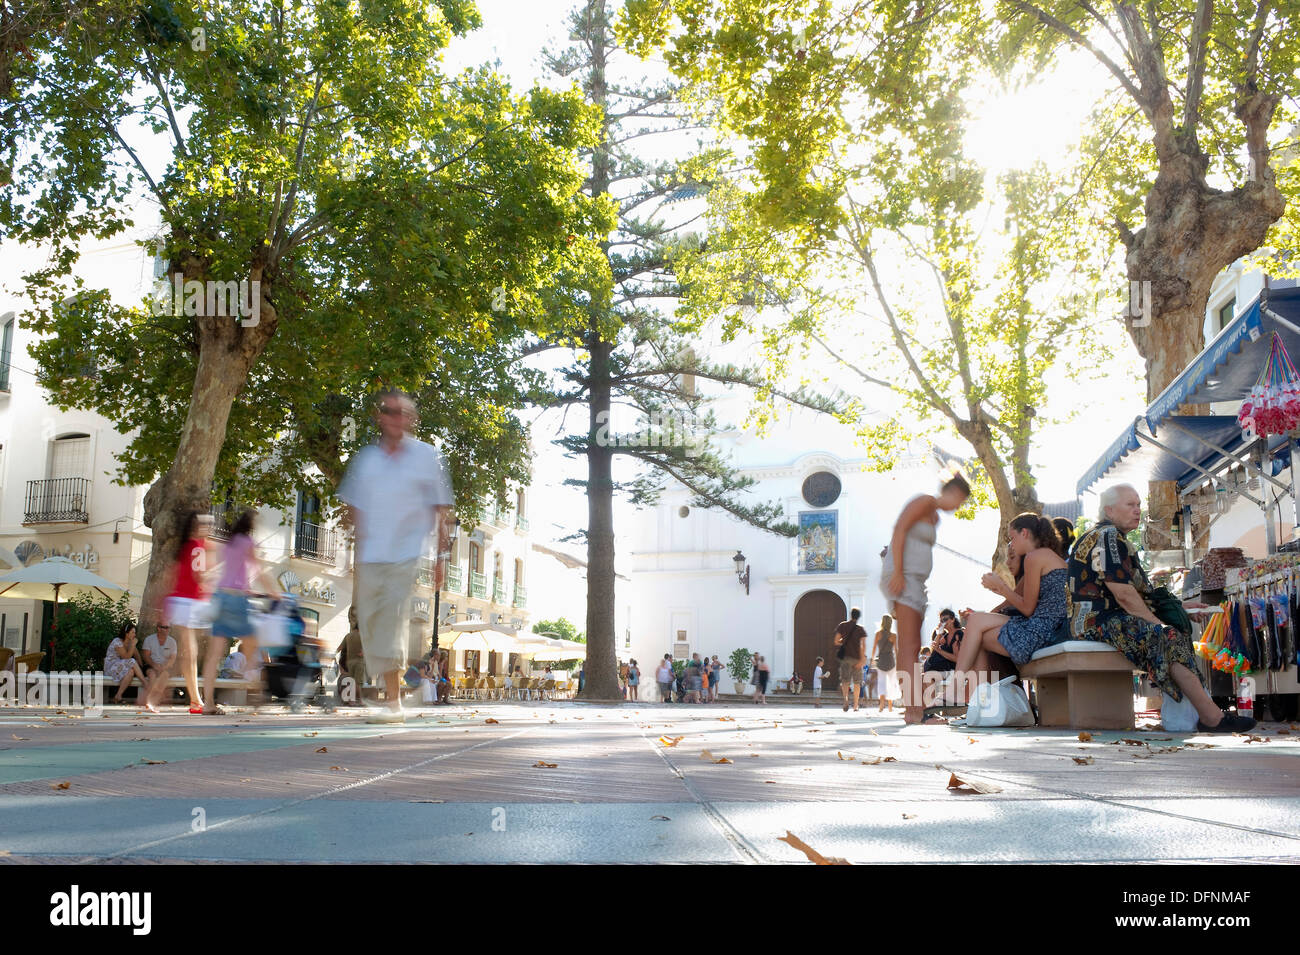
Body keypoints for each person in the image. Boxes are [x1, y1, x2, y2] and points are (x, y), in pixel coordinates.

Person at [1068, 484, 1255, 733]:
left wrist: (1181, 608)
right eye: (1130, 505)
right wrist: (1159, 624)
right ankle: (1210, 717)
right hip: (1095, 621)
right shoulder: (1108, 536)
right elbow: (1123, 595)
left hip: (1102, 619)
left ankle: (1194, 717)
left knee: (1170, 634)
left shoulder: (1107, 535)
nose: (1138, 510)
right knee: (1168, 636)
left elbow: (1132, 595)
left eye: (1138, 505)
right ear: (1109, 510)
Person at [339, 389, 454, 724]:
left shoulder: (426, 456)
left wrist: (441, 557)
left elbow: (441, 509)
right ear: (380, 417)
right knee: (371, 623)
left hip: (405, 553)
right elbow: (354, 506)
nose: (396, 417)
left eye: (403, 412)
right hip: (371, 554)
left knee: (390, 621)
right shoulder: (367, 459)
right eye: (389, 411)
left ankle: (393, 703)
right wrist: (355, 551)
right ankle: (392, 695)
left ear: (412, 419)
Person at [880, 473, 971, 724]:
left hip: (917, 582)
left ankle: (915, 708)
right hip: (904, 577)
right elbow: (899, 530)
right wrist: (897, 571)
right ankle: (915, 712)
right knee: (910, 646)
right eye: (959, 500)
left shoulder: (935, 517)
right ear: (949, 491)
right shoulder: (925, 501)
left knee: (911, 645)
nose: (957, 507)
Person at [956, 514, 1071, 698]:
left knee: (977, 631)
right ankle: (975, 700)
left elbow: (1027, 608)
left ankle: (968, 695)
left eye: (1012, 538)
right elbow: (1013, 600)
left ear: (1024, 533)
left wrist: (1000, 586)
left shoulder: (1034, 557)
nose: (1012, 544)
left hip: (1041, 633)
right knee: (977, 625)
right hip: (1049, 629)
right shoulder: (1047, 556)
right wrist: (998, 592)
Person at [144, 512, 213, 714]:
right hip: (190, 603)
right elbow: (198, 576)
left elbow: (172, 574)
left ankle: (194, 700)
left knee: (189, 654)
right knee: (189, 655)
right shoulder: (197, 548)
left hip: (183, 602)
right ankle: (162, 697)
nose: (210, 528)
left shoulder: (188, 546)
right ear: (199, 528)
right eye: (208, 525)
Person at [832, 608, 868, 712]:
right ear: (859, 616)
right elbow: (863, 645)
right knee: (857, 682)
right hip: (857, 658)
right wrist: (862, 659)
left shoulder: (842, 625)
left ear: (851, 615)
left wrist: (843, 642)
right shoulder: (861, 629)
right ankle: (856, 705)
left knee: (845, 680)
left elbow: (836, 641)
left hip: (845, 658)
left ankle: (845, 700)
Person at [104, 621, 147, 704]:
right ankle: (145, 683)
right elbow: (126, 657)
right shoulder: (117, 642)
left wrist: (141, 669)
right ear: (126, 634)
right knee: (132, 661)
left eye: (135, 632)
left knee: (131, 672)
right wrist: (133, 645)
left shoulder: (130, 643)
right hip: (111, 667)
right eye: (132, 632)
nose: (134, 635)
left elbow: (138, 657)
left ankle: (118, 696)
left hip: (120, 667)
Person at [871, 614, 899, 712]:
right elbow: (896, 650)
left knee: (882, 682)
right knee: (891, 683)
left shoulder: (878, 634)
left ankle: (881, 704)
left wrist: (872, 659)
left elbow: (874, 647)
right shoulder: (893, 635)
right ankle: (890, 706)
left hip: (881, 660)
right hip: (891, 660)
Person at [141, 623, 178, 688]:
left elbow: (172, 659)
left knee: (165, 675)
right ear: (159, 628)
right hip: (151, 666)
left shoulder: (172, 641)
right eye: (166, 627)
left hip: (166, 667)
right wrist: (154, 665)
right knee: (152, 675)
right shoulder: (149, 639)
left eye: (169, 628)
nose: (168, 630)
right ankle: (151, 696)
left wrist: (164, 667)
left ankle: (157, 696)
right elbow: (146, 656)